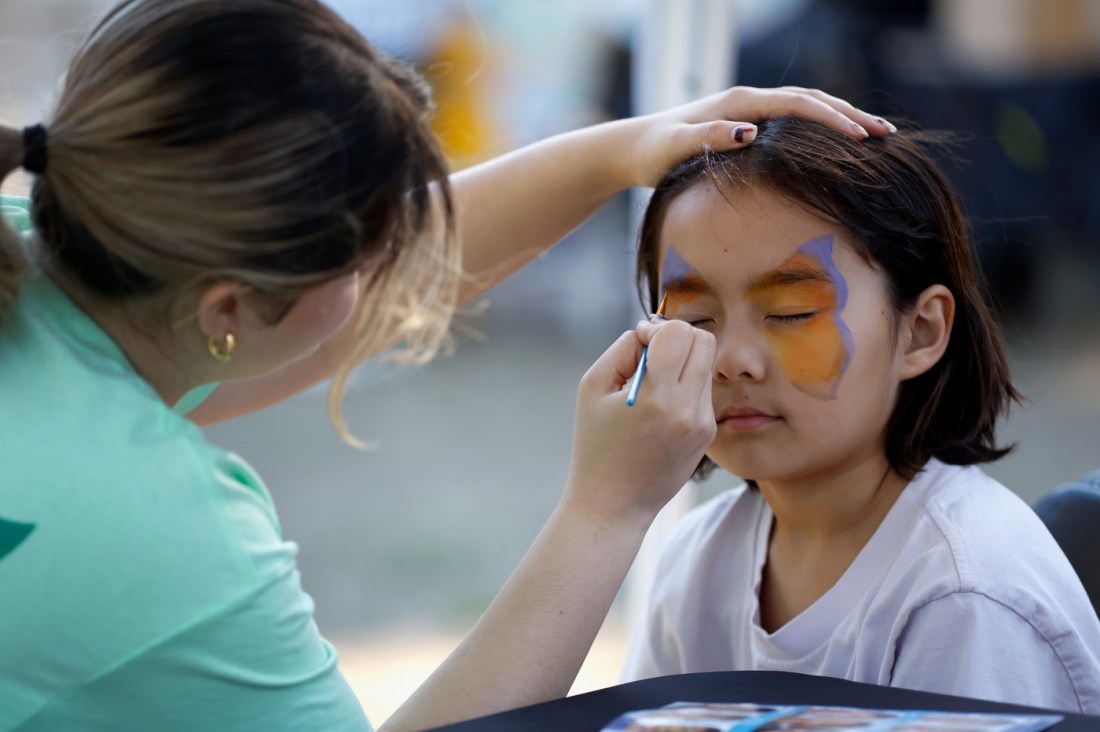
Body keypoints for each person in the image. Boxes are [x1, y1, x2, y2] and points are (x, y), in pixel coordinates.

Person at [0, 1, 896, 730]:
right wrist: (607, 507)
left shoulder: (57, 252)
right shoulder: (163, 545)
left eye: (786, 311)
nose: (731, 353)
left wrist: (620, 150)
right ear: (228, 310)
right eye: (365, 258)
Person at [619, 117, 1100, 713]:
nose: (732, 360)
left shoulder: (964, 597)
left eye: (792, 312)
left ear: (920, 331)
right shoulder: (699, 556)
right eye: (695, 320)